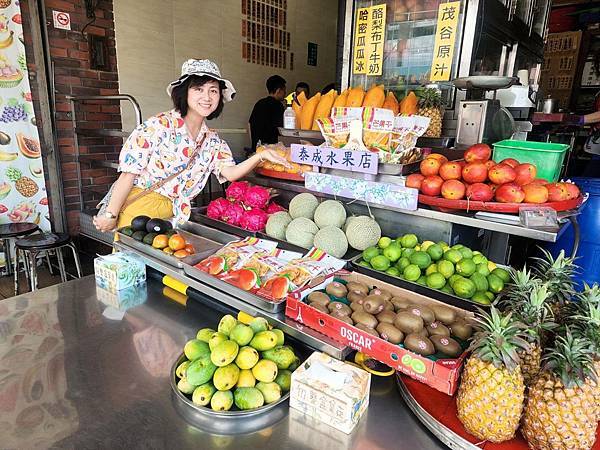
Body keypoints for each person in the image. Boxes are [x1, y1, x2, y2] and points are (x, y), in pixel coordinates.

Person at [93, 59, 288, 233]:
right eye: (199, 89)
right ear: (184, 92)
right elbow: (128, 175)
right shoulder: (158, 126)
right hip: (140, 212)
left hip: (175, 218)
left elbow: (230, 173)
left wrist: (260, 156)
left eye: (213, 90)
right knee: (132, 272)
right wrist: (110, 215)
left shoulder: (212, 141)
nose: (207, 97)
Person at [248, 75, 287, 151]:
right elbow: (281, 130)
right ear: (278, 90)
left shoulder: (259, 103)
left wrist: (254, 143)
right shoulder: (278, 106)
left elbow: (249, 124)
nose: (285, 94)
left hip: (257, 149)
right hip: (271, 150)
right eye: (284, 91)